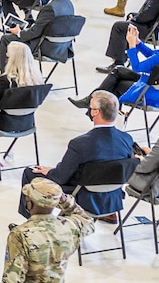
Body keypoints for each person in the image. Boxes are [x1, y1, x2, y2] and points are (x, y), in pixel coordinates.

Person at [21, 91, 134, 219]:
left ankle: (32, 226)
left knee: (30, 172)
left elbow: (60, 177)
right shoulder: (127, 139)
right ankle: (108, 215)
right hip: (112, 198)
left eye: (90, 108)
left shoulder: (80, 143)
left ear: (95, 112)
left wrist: (50, 172)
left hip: (81, 196)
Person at [81, 18, 159, 105]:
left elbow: (137, 67)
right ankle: (92, 101)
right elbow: (152, 54)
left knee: (115, 83)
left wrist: (131, 45)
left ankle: (93, 103)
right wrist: (138, 41)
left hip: (149, 93)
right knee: (119, 70)